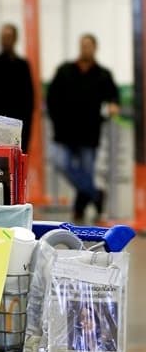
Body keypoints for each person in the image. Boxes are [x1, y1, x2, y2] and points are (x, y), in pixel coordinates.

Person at [47, 33, 119, 223]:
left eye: (89, 45)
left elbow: (113, 97)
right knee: (61, 162)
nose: (85, 48)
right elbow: (51, 98)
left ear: (95, 48)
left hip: (89, 132)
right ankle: (96, 194)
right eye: (83, 45)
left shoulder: (103, 74)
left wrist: (113, 105)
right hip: (65, 131)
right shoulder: (65, 70)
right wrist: (56, 120)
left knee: (87, 171)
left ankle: (79, 208)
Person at [0, 24, 35, 152]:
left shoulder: (22, 65)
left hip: (19, 122)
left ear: (15, 39)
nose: (5, 41)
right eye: (3, 37)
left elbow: (29, 97)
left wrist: (26, 123)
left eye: (9, 37)